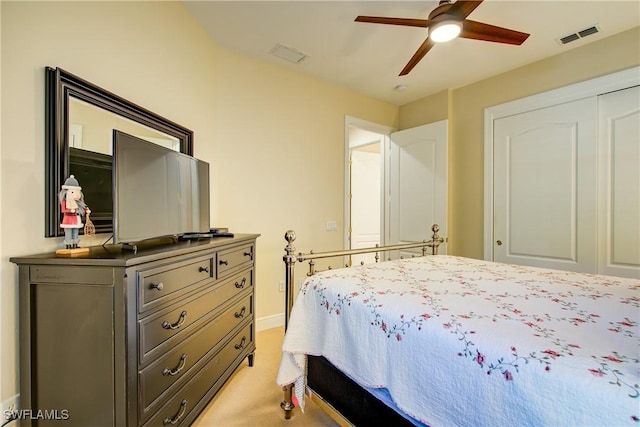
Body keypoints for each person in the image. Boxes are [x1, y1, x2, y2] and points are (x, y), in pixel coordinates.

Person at [59, 175, 90, 249]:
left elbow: (83, 208)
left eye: (77, 192)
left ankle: (75, 244)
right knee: (69, 231)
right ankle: (68, 244)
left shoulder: (78, 202)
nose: (76, 195)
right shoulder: (65, 202)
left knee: (76, 231)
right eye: (73, 192)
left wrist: (87, 210)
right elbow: (63, 210)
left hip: (77, 219)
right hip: (68, 220)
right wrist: (70, 210)